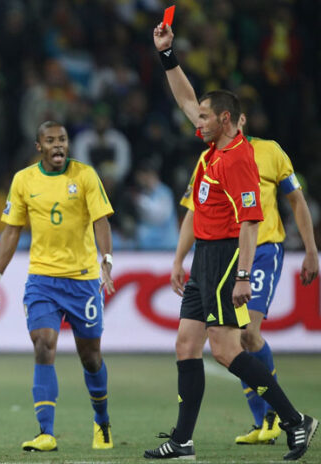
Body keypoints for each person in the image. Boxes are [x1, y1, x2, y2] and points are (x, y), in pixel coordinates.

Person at [144, 22, 318, 461]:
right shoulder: (212, 151)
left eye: (203, 116)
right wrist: (168, 55)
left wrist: (242, 275)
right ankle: (182, 442)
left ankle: (296, 420)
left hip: (224, 258)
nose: (194, 120)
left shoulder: (238, 159)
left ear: (225, 119)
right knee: (186, 344)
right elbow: (185, 98)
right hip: (205, 254)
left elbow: (251, 221)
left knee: (225, 349)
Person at [0, 120, 116, 452]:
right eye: (50, 140)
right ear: (39, 147)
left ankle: (102, 420)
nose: (58, 145)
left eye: (62, 139)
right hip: (42, 281)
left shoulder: (86, 175)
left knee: (91, 358)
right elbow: (11, 231)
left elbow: (101, 220)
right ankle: (46, 433)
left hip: (82, 282)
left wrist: (106, 260)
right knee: (43, 344)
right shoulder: (24, 180)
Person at [176, 113, 319, 445]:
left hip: (262, 250)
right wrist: (178, 259)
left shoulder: (269, 152)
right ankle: (266, 421)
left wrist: (311, 250)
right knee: (213, 342)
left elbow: (296, 200)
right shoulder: (209, 157)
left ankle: (279, 417)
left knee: (247, 336)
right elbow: (192, 212)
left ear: (237, 118)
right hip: (219, 254)